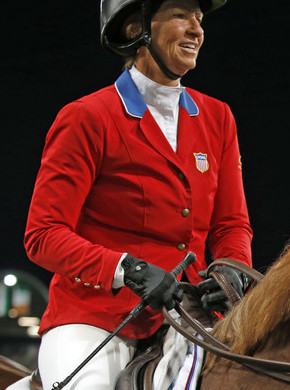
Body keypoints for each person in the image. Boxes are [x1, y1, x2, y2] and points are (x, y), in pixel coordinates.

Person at [21, 0, 253, 388]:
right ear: (135, 29)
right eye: (181, 16)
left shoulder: (218, 117)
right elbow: (43, 235)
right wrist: (128, 269)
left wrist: (231, 269)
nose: (197, 29)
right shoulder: (87, 117)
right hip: (95, 316)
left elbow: (231, 223)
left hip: (188, 314)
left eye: (199, 19)